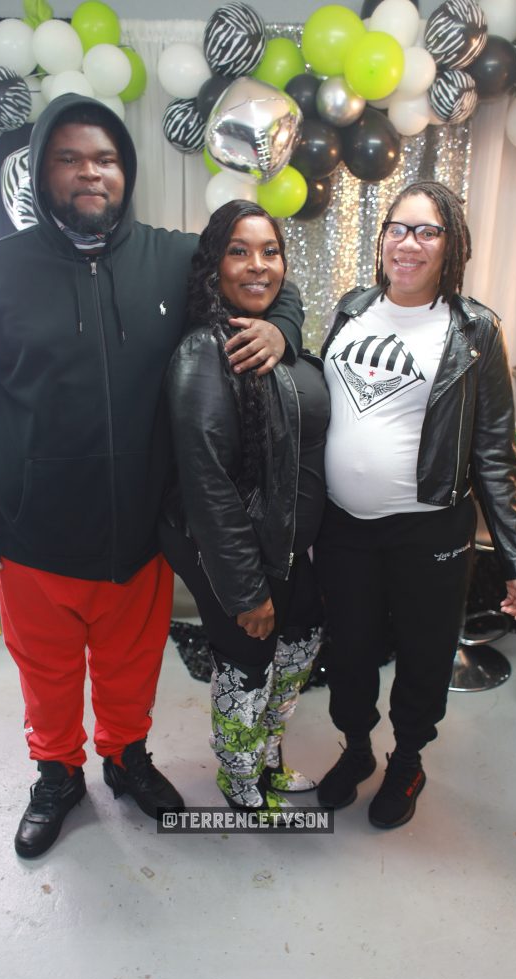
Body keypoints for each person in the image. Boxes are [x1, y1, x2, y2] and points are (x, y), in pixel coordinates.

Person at [0, 95, 304, 858]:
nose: (89, 173)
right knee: (46, 673)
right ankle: (56, 774)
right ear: (42, 171)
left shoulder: (172, 257)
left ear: (125, 171)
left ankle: (127, 757)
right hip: (32, 534)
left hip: (139, 533)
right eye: (68, 158)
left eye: (104, 158)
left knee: (131, 668)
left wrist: (282, 329)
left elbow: (266, 277)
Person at [314, 180, 516, 829]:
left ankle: (407, 760)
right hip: (343, 526)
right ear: (382, 237)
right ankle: (356, 748)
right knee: (349, 651)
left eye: (426, 230)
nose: (408, 243)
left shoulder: (475, 330)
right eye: (398, 227)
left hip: (430, 530)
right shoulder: (352, 308)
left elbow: (493, 451)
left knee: (422, 654)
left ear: (451, 246)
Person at [160, 200, 330, 811]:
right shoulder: (204, 353)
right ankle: (239, 777)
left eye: (270, 251)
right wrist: (245, 591)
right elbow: (207, 486)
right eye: (239, 251)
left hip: (284, 539)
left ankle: (266, 754)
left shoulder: (270, 328)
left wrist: (283, 329)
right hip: (235, 548)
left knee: (301, 637)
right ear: (214, 266)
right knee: (247, 655)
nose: (258, 265)